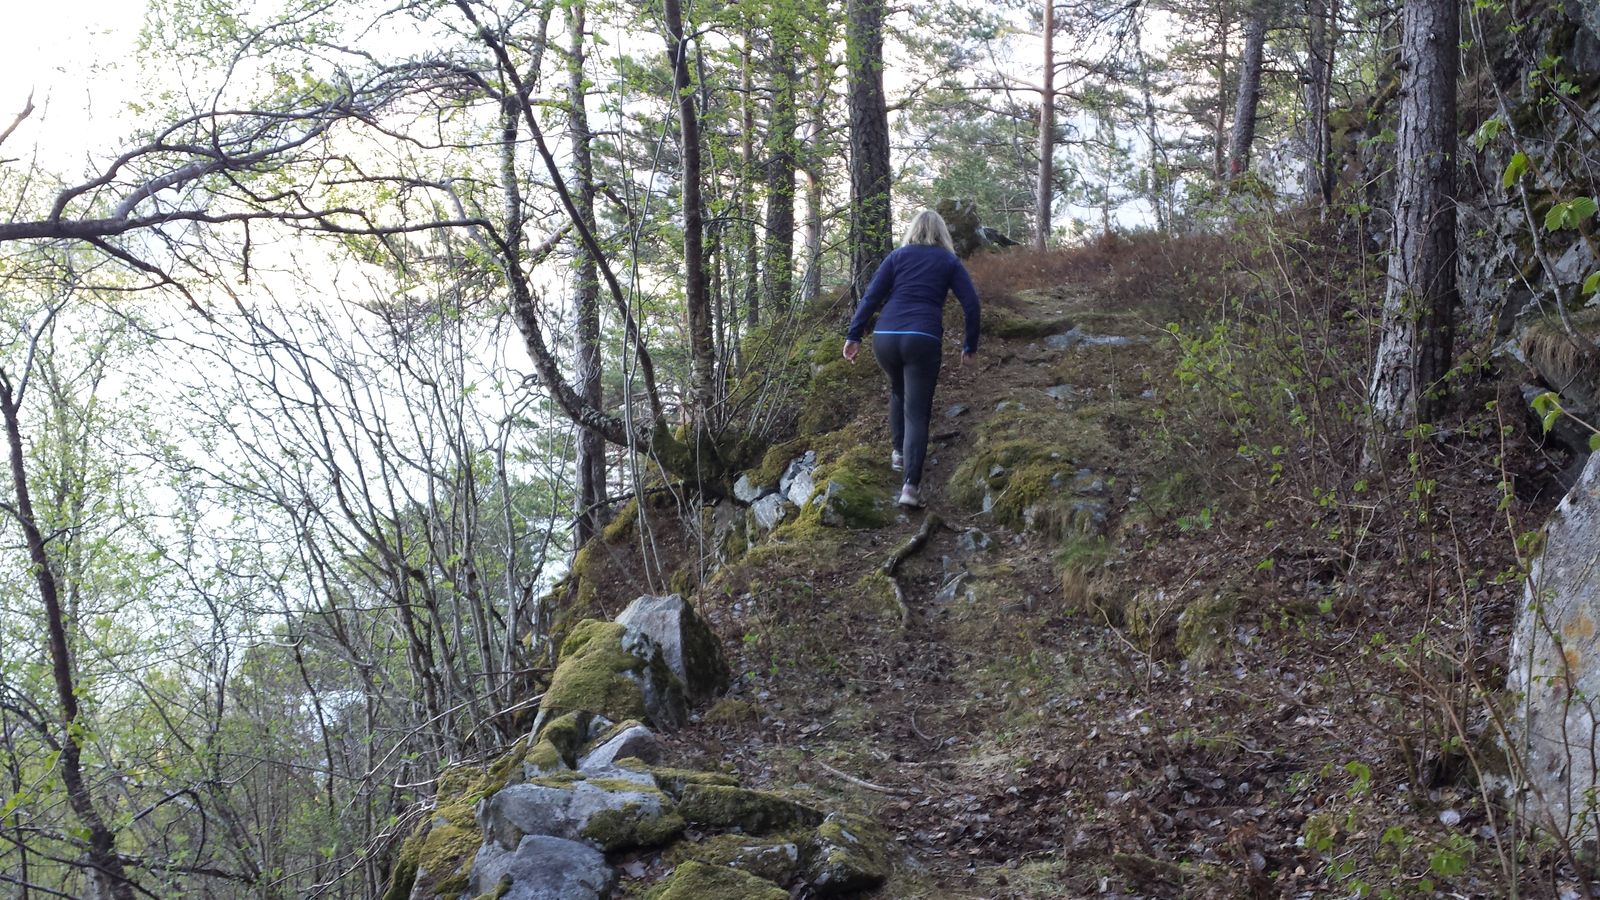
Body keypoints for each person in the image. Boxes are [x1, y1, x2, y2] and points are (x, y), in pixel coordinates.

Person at [843, 209, 981, 508]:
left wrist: (854, 336)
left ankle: (899, 452)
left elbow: (871, 297)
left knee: (897, 390)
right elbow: (971, 304)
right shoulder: (948, 260)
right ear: (942, 232)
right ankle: (910, 488)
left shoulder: (897, 257)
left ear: (913, 231)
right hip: (923, 337)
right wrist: (969, 345)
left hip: (885, 336)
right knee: (917, 412)